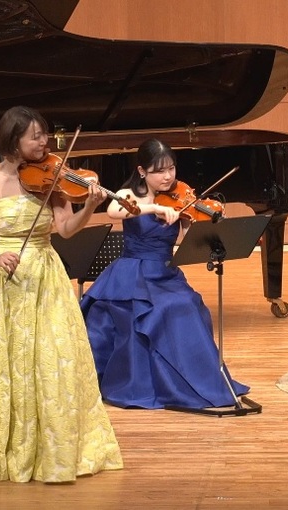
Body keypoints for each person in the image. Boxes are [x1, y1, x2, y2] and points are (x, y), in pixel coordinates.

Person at [0, 106, 123, 482]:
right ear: (13, 141)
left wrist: (90, 206)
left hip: (44, 279)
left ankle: (47, 451)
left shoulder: (53, 179)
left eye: (45, 135)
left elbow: (66, 229)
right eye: (36, 136)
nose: (45, 143)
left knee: (50, 362)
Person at [80, 138, 249, 410]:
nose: (168, 176)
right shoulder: (129, 195)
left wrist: (199, 223)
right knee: (158, 310)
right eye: (159, 171)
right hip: (132, 274)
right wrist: (155, 208)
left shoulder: (179, 197)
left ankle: (197, 381)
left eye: (171, 168)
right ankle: (147, 384)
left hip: (165, 272)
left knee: (190, 304)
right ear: (142, 171)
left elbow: (188, 240)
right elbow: (113, 210)